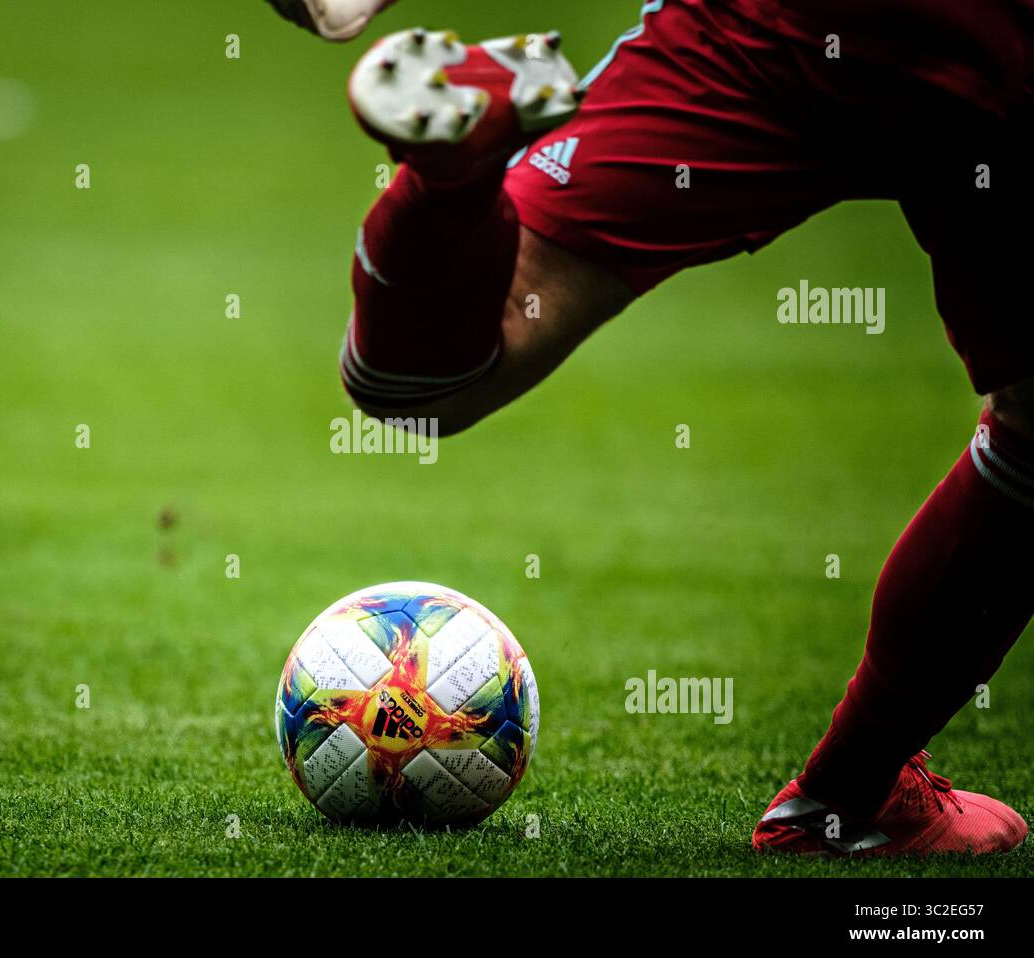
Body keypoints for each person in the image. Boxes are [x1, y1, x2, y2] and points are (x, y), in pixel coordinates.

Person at [267, 0, 1034, 855]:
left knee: (420, 389)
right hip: (986, 41)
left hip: (764, 30)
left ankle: (450, 182)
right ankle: (851, 796)